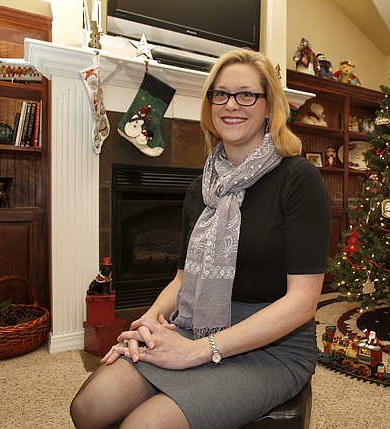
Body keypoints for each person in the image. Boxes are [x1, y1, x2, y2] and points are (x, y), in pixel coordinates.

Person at [70, 49, 331, 429]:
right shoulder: (200, 190)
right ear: (209, 105)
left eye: (246, 94)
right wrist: (143, 324)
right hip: (199, 321)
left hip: (273, 346)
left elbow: (302, 304)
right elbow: (181, 280)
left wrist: (196, 351)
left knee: (145, 426)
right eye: (220, 94)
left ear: (268, 105)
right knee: (89, 407)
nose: (231, 105)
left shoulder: (299, 180)